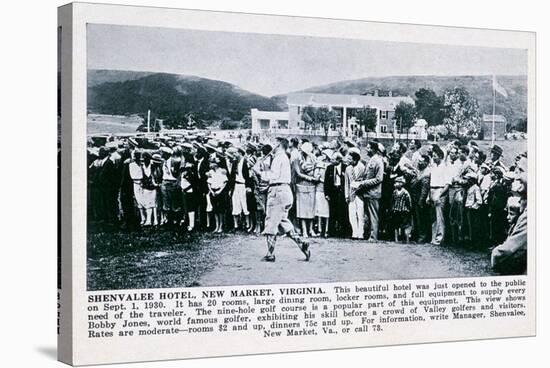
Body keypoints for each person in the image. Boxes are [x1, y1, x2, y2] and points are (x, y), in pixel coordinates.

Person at [254, 137, 310, 262]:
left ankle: (270, 254)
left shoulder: (279, 157)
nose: (272, 146)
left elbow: (273, 176)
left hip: (277, 191)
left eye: (274, 143)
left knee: (271, 222)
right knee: (283, 222)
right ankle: (301, 243)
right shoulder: (283, 157)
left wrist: (259, 172)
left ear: (279, 145)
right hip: (284, 191)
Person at [357, 141, 385, 241]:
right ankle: (369, 234)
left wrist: (364, 183)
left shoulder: (378, 161)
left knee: (373, 215)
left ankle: (374, 236)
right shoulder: (371, 160)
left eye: (368, 148)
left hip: (373, 193)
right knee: (368, 215)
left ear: (373, 149)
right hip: (368, 193)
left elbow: (379, 178)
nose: (366, 149)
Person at [293, 142, 319, 237]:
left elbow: (316, 168)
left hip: (312, 186)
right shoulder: (297, 159)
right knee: (302, 209)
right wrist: (310, 178)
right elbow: (298, 173)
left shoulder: (313, 158)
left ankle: (311, 229)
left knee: (311, 209)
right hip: (301, 185)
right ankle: (304, 230)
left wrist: (315, 176)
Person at [428, 145, 449, 245]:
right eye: (433, 156)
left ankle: (440, 238)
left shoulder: (444, 167)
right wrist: (429, 195)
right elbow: (431, 182)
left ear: (440, 156)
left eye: (435, 156)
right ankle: (433, 237)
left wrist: (439, 195)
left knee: (439, 217)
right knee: (433, 217)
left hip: (440, 191)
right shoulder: (433, 167)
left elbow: (447, 184)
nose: (433, 157)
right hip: (432, 190)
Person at [228, 146, 252, 231]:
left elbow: (248, 176)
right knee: (235, 204)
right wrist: (231, 188)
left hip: (243, 185)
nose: (234, 154)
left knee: (244, 204)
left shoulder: (245, 162)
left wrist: (248, 186)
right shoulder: (235, 162)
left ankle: (247, 224)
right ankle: (236, 225)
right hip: (236, 185)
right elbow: (231, 176)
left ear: (240, 153)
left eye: (236, 153)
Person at [324, 152, 348, 237]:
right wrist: (326, 193)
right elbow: (326, 182)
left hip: (342, 192)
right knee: (332, 212)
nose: (331, 161)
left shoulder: (345, 168)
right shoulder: (329, 168)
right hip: (333, 191)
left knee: (342, 212)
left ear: (338, 160)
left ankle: (343, 232)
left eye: (333, 159)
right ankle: (332, 231)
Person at [345, 148, 366, 239]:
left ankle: (361, 233)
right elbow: (347, 183)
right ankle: (355, 232)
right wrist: (346, 195)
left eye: (350, 159)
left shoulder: (362, 167)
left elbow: (365, 181)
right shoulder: (348, 169)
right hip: (351, 194)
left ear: (355, 159)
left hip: (360, 194)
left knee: (360, 214)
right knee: (352, 214)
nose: (349, 161)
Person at [409, 154, 431, 243]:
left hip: (420, 200)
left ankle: (422, 236)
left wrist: (421, 201)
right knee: (416, 218)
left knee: (421, 219)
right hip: (415, 198)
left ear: (426, 162)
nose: (419, 163)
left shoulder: (426, 173)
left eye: (421, 161)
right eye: (418, 161)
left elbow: (424, 190)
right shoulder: (419, 171)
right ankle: (418, 235)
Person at [206, 158, 228, 233]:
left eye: (212, 163)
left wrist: (220, 190)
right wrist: (211, 191)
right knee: (215, 209)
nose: (210, 165)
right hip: (213, 191)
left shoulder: (222, 171)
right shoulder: (210, 172)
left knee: (220, 210)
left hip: (219, 191)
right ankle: (217, 225)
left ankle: (221, 226)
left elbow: (225, 182)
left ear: (216, 164)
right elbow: (209, 182)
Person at [314, 149, 331, 237]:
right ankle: (320, 229)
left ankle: (327, 230)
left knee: (327, 211)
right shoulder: (319, 165)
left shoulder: (331, 166)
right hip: (319, 189)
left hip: (327, 190)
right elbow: (316, 176)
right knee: (319, 210)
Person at [140, 152, 159, 226]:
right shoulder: (142, 167)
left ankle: (155, 220)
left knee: (154, 204)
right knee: (147, 204)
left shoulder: (153, 166)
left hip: (153, 187)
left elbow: (156, 175)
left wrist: (155, 183)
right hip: (145, 187)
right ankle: (148, 220)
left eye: (146, 159)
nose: (145, 161)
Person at [463, 171, 482, 247]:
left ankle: (474, 243)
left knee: (473, 226)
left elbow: (479, 201)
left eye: (468, 179)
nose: (467, 181)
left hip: (472, 210)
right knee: (469, 226)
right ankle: (471, 241)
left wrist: (473, 207)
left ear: (472, 180)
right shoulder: (470, 188)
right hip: (468, 208)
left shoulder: (476, 188)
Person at [391, 176, 412, 242]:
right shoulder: (394, 192)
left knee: (405, 225)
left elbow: (409, 202)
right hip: (396, 210)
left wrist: (408, 209)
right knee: (396, 225)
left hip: (404, 211)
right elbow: (392, 201)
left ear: (401, 184)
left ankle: (406, 239)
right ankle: (396, 239)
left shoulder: (405, 193)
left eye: (397, 182)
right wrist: (393, 208)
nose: (395, 184)